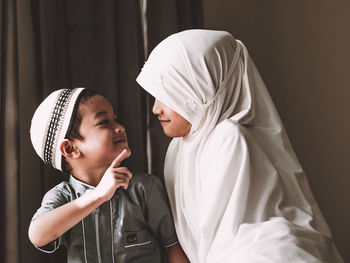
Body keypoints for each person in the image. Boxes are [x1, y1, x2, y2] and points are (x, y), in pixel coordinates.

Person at [136, 29, 344, 262]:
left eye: (169, 94)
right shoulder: (178, 149)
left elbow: (234, 235)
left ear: (201, 88)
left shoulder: (229, 138)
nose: (156, 109)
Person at [29, 88, 189, 263]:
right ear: (70, 149)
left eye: (116, 120)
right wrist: (98, 195)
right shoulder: (61, 197)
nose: (120, 127)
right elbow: (37, 235)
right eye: (104, 122)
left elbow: (172, 248)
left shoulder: (144, 188)